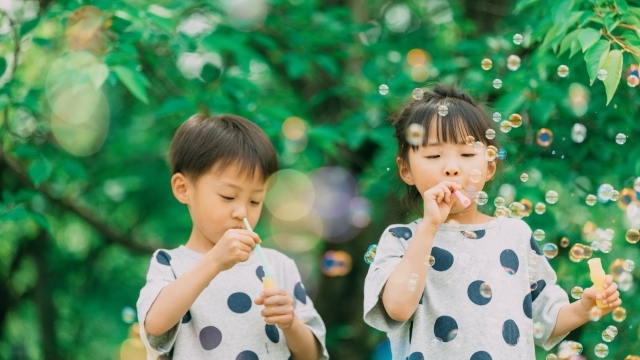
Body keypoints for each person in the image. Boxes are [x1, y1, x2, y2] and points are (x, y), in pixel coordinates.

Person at [363, 84, 621, 359]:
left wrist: (584, 307)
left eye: (466, 154)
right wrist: (429, 227)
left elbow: (545, 320)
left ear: (489, 166)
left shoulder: (515, 235)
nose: (452, 167)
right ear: (406, 169)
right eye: (434, 155)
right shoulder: (401, 240)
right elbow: (398, 308)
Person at [137, 113, 328, 360]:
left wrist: (290, 323)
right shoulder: (169, 265)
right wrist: (215, 261)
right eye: (228, 196)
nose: (242, 212)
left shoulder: (278, 266)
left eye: (255, 200)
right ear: (183, 189)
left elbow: (312, 355)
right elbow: (154, 325)